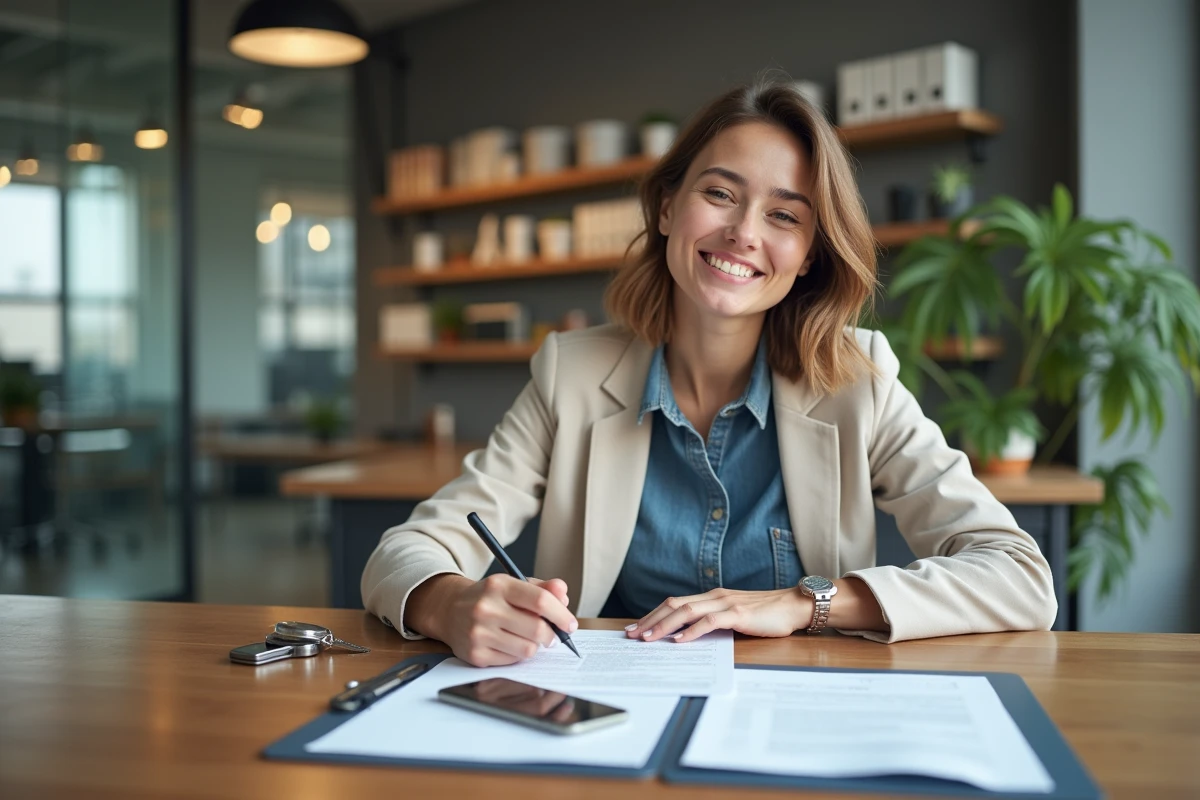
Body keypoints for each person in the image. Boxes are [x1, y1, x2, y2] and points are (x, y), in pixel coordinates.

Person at [361, 79, 1056, 667]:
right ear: (668, 208)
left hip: (796, 713)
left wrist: (803, 604)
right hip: (606, 710)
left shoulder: (859, 377)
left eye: (784, 214)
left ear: (810, 253)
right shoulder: (569, 373)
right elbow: (409, 549)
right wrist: (450, 603)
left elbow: (1019, 577)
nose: (744, 233)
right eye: (721, 194)